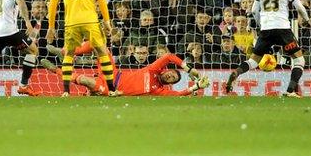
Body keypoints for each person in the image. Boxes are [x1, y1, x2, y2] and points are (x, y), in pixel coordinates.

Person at [226, 0, 310, 98]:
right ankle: (290, 91)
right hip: (283, 29)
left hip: (266, 29)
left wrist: (260, 24)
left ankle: (237, 72)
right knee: (299, 60)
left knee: (253, 60)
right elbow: (299, 7)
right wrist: (307, 19)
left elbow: (253, 10)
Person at [46, 0, 115, 96]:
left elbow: (52, 3)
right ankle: (113, 90)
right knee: (102, 52)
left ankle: (65, 92)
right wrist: (107, 21)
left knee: (69, 55)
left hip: (71, 22)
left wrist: (51, 27)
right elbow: (102, 1)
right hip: (90, 21)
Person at [51, 52, 209, 96]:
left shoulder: (158, 90)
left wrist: (195, 87)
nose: (170, 77)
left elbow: (179, 93)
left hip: (112, 90)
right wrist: (189, 69)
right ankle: (70, 52)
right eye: (171, 74)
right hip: (113, 74)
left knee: (86, 81)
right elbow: (168, 56)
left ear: (169, 84)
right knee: (101, 47)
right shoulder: (153, 69)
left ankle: (57, 71)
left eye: (172, 79)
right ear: (166, 70)